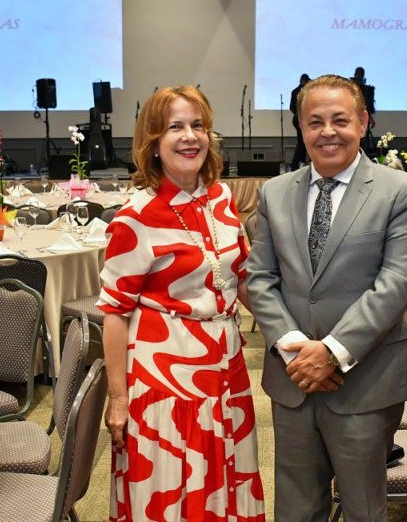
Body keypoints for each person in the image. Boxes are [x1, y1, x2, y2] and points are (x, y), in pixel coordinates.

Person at [246, 74, 407, 521]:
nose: (328, 131)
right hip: (293, 381)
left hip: (365, 381)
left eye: (340, 120)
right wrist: (294, 352)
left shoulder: (399, 190)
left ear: (363, 123)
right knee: (295, 508)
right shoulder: (275, 192)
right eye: (315, 121)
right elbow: (260, 278)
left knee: (364, 509)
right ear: (301, 129)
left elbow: (397, 282)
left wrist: (331, 352)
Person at [98, 85, 265, 521]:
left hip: (226, 365)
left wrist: (290, 334)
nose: (190, 136)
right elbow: (114, 314)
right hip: (164, 375)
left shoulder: (221, 199)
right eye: (175, 127)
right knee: (174, 484)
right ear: (152, 142)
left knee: (222, 475)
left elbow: (239, 279)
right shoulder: (135, 216)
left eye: (198, 126)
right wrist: (118, 400)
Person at [350, 66, 376, 149]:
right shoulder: (365, 89)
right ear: (363, 76)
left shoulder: (347, 86)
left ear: (354, 74)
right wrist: (371, 119)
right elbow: (365, 105)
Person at [289, 73, 311, 169]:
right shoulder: (307, 92)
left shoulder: (294, 91)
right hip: (303, 118)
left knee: (301, 141)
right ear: (305, 81)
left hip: (296, 118)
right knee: (303, 142)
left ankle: (298, 163)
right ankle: (298, 163)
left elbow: (291, 107)